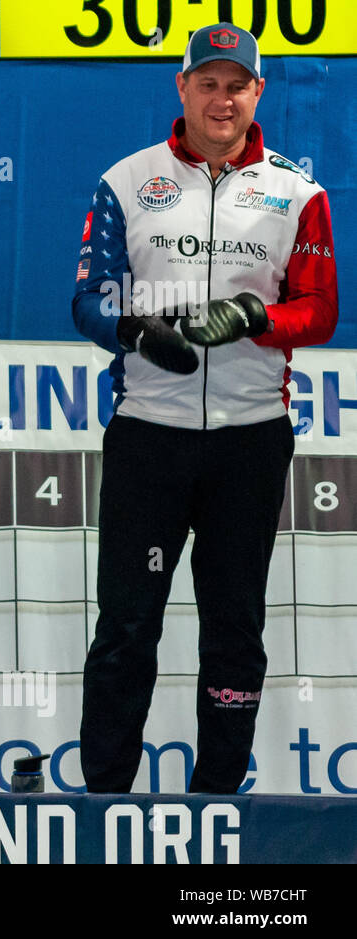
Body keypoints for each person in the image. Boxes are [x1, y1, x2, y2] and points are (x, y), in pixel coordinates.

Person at [73, 23, 337, 794]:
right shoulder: (127, 180)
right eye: (208, 82)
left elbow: (318, 312)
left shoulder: (298, 192)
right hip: (148, 438)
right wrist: (134, 331)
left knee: (234, 629)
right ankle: (104, 800)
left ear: (259, 93)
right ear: (181, 86)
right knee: (125, 628)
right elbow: (86, 300)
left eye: (238, 85)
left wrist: (258, 319)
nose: (222, 99)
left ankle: (219, 799)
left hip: (250, 441)